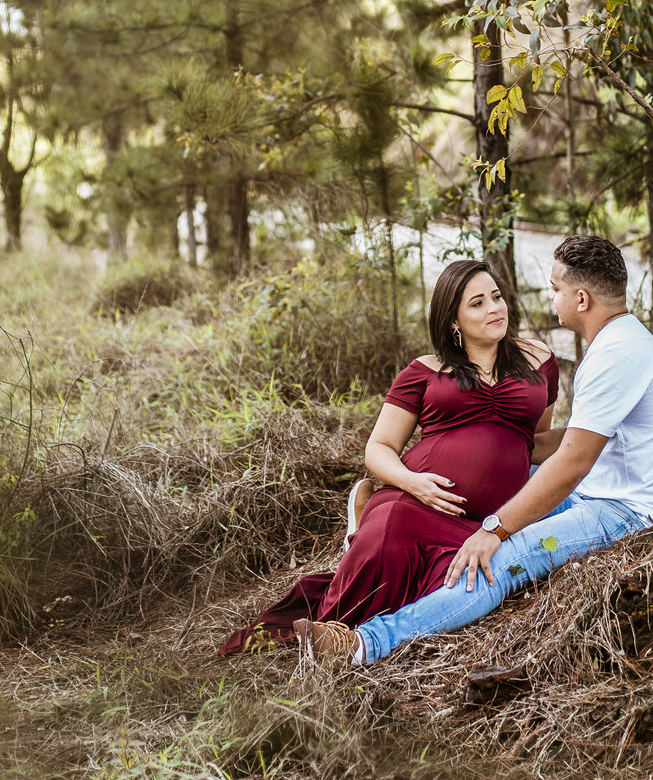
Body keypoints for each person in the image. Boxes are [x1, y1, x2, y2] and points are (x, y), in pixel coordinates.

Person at [296, 232, 653, 667]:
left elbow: (571, 464)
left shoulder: (614, 355)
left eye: (556, 289)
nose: (552, 298)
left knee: (495, 562)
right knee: (501, 488)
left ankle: (363, 645)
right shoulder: (621, 343)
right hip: (605, 492)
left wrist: (493, 530)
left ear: (581, 299)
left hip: (631, 513)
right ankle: (376, 526)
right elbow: (561, 444)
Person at [217, 258, 561, 657]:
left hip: (481, 525)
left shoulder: (539, 361)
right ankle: (337, 622)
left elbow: (532, 442)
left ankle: (361, 549)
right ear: (454, 320)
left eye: (497, 297)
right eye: (478, 303)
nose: (495, 309)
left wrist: (602, 433)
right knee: (383, 557)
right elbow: (378, 449)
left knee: (459, 589)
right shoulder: (425, 371)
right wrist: (414, 483)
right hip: (412, 503)